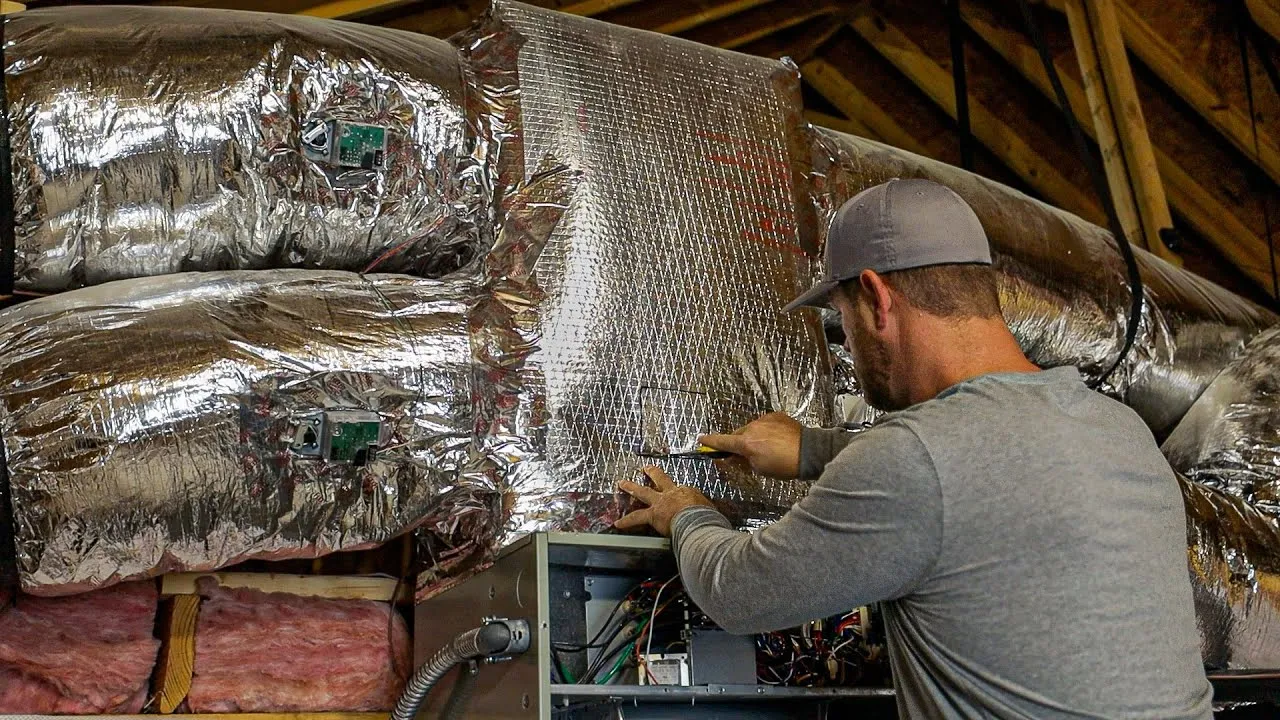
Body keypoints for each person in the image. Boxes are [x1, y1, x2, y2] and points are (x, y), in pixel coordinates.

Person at [615, 178, 1212, 719]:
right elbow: (985, 466)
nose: (847, 345)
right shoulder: (1119, 429)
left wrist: (686, 514)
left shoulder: (914, 460)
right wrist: (816, 450)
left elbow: (739, 593)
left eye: (842, 322)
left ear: (877, 298)